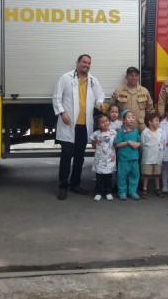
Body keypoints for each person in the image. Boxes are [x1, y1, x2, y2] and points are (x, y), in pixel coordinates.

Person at [52, 54, 105, 200]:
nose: (86, 65)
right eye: (84, 62)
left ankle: (75, 184)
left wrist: (99, 103)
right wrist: (62, 113)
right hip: (68, 124)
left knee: (79, 157)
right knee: (66, 156)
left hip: (83, 125)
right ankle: (63, 186)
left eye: (88, 63)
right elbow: (56, 97)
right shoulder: (66, 78)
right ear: (77, 63)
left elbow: (100, 96)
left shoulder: (93, 81)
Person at [110, 67, 154, 132]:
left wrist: (151, 126)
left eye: (136, 76)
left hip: (141, 127)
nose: (134, 78)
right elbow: (111, 108)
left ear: (139, 77)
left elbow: (150, 110)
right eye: (131, 75)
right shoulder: (118, 91)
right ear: (126, 77)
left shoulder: (144, 91)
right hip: (123, 127)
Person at [114, 109, 141, 200]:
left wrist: (137, 144)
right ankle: (122, 192)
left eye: (132, 117)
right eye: (128, 117)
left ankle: (132, 191)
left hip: (134, 157)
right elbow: (117, 144)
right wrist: (128, 142)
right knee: (122, 175)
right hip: (124, 158)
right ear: (123, 120)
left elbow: (139, 141)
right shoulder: (121, 131)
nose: (131, 119)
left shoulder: (135, 131)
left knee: (135, 174)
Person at [89, 114, 117, 201]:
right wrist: (97, 150)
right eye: (102, 122)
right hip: (99, 159)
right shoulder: (96, 133)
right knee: (99, 176)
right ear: (98, 125)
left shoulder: (113, 132)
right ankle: (99, 192)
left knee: (108, 176)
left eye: (106, 121)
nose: (105, 123)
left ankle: (108, 191)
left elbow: (116, 143)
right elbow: (93, 142)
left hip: (109, 158)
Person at [140, 113, 166, 199]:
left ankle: (158, 188)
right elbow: (143, 145)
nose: (158, 122)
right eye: (156, 120)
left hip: (158, 156)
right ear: (150, 122)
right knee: (146, 174)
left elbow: (163, 143)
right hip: (148, 157)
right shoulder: (145, 133)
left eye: (158, 120)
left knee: (157, 174)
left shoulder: (161, 131)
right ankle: (144, 188)